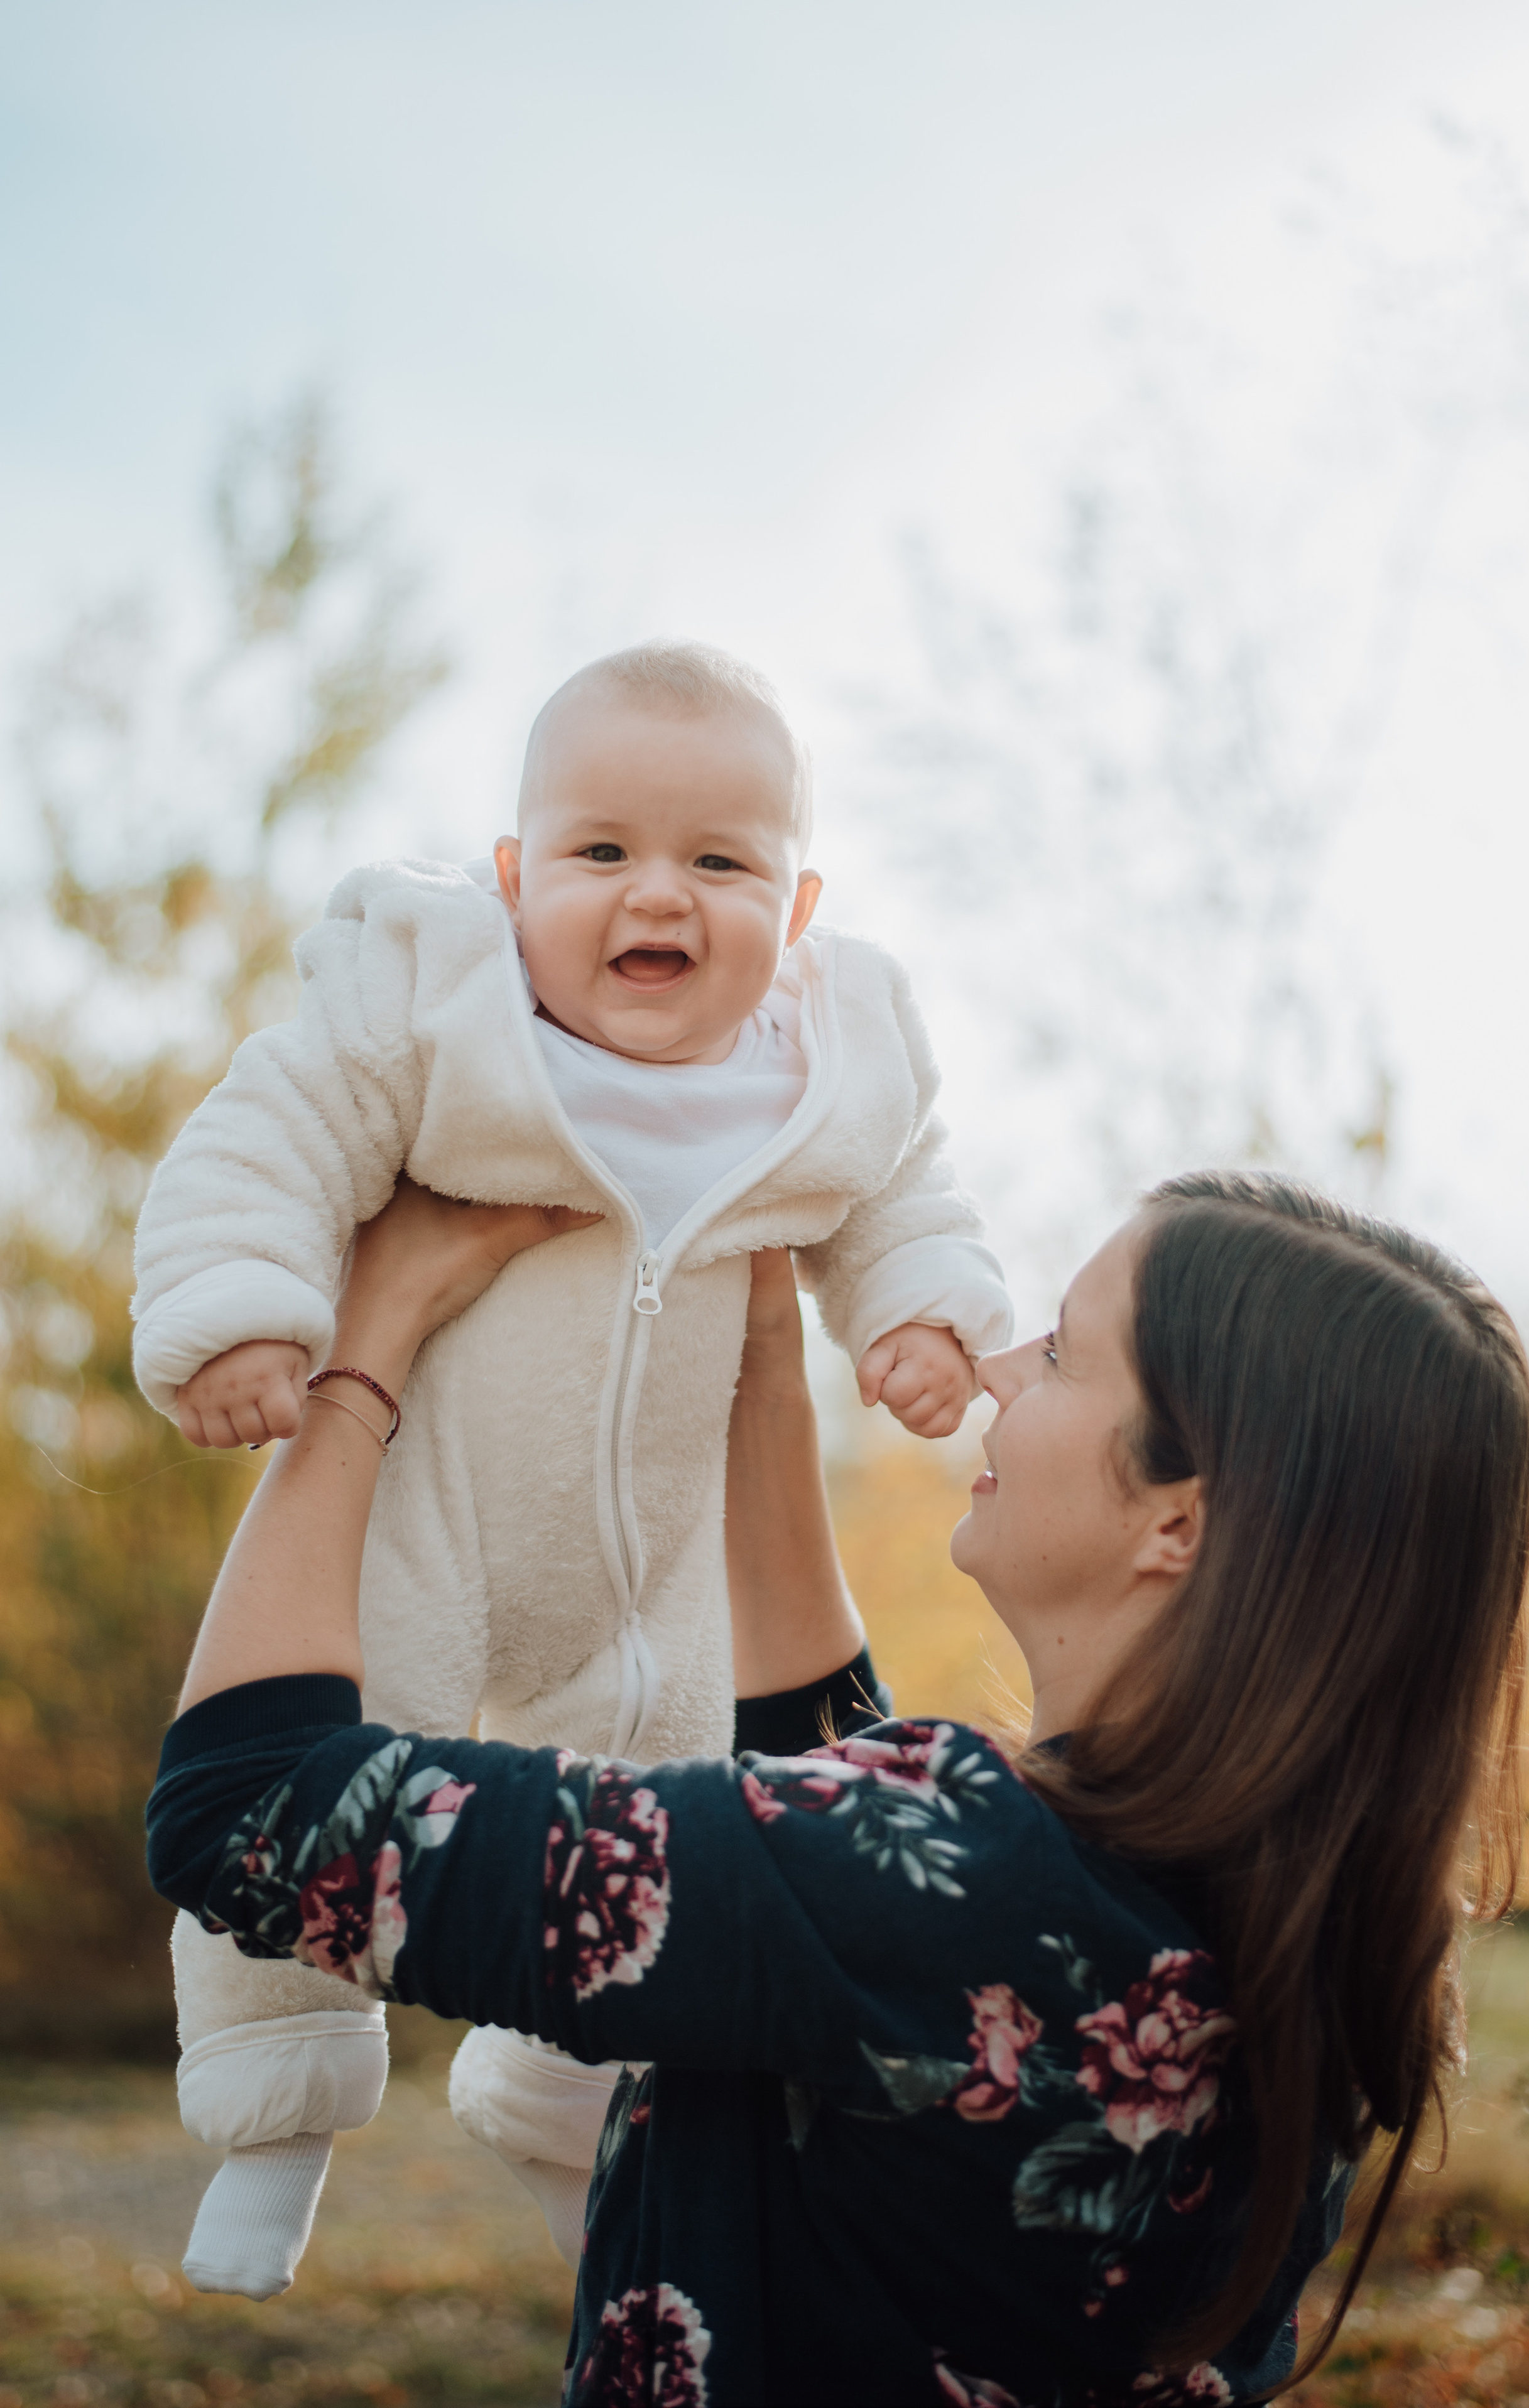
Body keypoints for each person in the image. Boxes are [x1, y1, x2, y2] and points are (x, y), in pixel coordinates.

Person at [147, 1168, 1529, 2405]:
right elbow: (857, 1875)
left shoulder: (941, 1879)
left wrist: (365, 1348)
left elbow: (252, 1810)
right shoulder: (1293, 1920)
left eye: (1059, 1352)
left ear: (1176, 1520)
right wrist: (759, 1367)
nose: (996, 1369)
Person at [128, 638, 1012, 2297]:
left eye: (718, 862)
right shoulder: (436, 1002)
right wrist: (246, 1311)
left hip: (653, 1574)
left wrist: (924, 1317)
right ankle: (275, 2121)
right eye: (601, 853)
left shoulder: (831, 1061)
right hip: (427, 1512)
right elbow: (272, 1132)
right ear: (517, 874)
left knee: (654, 1858)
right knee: (303, 1788)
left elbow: (911, 1198)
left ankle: (561, 2112)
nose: (654, 894)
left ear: (799, 914)